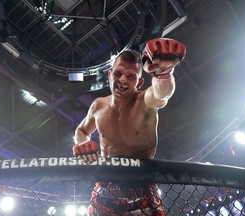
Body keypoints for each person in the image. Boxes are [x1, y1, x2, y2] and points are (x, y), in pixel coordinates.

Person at [73, 38, 186, 215]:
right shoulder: (98, 105)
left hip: (141, 185)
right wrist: (81, 144)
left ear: (139, 82)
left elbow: (161, 94)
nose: (123, 80)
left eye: (131, 76)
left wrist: (164, 72)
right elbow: (81, 130)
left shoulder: (145, 103)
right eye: (118, 73)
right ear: (110, 75)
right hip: (106, 184)